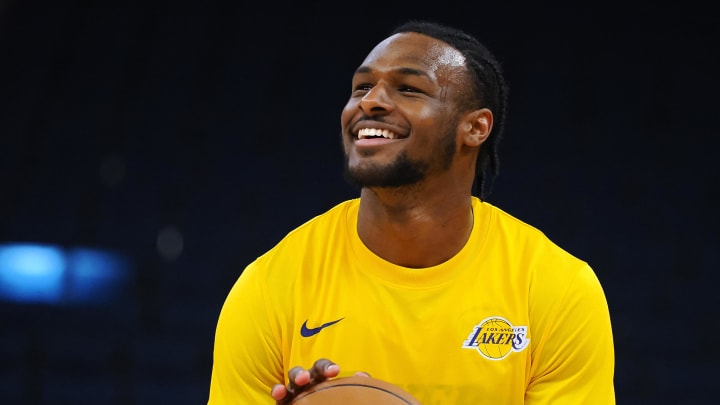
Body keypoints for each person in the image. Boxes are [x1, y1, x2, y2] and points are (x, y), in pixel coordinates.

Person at [207, 19, 615, 404]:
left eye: (408, 89)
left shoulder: (555, 290)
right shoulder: (272, 285)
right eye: (361, 87)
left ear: (475, 128)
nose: (371, 102)